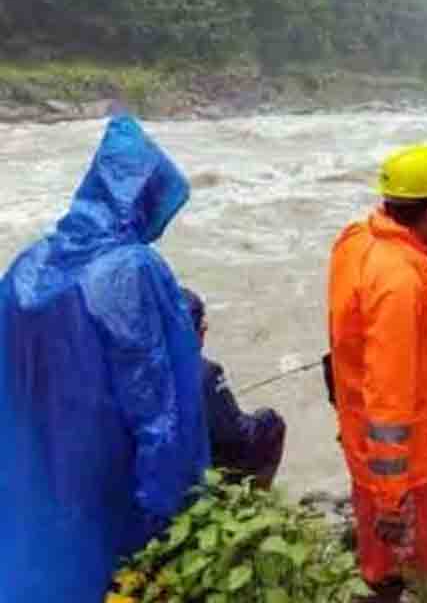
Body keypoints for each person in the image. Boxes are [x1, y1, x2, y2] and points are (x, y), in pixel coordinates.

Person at [0, 114, 209, 601]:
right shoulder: (131, 271)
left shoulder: (27, 266)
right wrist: (165, 506)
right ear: (143, 197)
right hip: (105, 485)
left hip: (29, 480)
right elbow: (159, 405)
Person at [328, 144, 427, 601]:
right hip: (401, 464)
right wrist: (393, 495)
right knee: (403, 575)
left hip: (366, 441)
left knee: (378, 562)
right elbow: (390, 390)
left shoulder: (358, 240)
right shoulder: (401, 278)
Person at [180, 287, 287, 490]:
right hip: (204, 468)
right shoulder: (206, 372)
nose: (205, 327)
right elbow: (235, 433)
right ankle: (254, 500)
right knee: (271, 423)